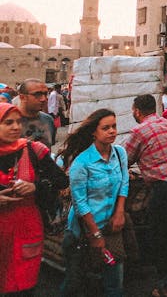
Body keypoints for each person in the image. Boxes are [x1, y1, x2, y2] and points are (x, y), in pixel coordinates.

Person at [59, 109, 129, 297]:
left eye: (114, 126)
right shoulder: (82, 163)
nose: (112, 131)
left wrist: (119, 212)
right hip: (82, 231)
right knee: (74, 283)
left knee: (115, 284)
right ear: (94, 132)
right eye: (105, 128)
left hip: (110, 227)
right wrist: (95, 234)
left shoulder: (120, 153)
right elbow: (80, 203)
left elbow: (124, 183)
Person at [0, 103, 68, 296]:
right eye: (8, 122)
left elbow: (61, 181)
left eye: (18, 122)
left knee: (24, 285)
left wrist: (36, 187)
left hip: (26, 228)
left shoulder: (33, 150)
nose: (15, 127)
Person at [124, 94, 167, 297]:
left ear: (137, 111)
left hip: (163, 188)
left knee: (161, 238)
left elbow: (124, 160)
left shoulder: (139, 131)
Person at [17, 79, 54, 147]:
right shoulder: (9, 121)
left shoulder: (48, 120)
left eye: (46, 94)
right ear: (22, 97)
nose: (44, 99)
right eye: (37, 94)